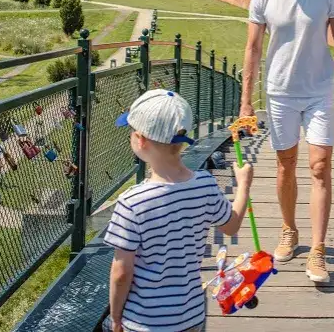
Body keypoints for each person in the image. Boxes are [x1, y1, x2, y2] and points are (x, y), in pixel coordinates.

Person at [240, 0, 334, 283]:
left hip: (319, 90)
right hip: (280, 92)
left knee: (320, 167)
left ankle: (318, 251)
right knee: (285, 165)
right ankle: (289, 230)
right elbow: (253, 50)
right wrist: (246, 102)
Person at [104, 89, 253, 332]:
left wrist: (116, 317)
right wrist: (244, 185)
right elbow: (232, 225)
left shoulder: (131, 203)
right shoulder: (205, 184)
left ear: (140, 140)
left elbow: (121, 272)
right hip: (190, 315)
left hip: (144, 321)